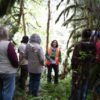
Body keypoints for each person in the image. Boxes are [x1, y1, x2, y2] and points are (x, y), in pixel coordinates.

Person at [70, 29, 96, 100]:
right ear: (90, 36)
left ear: (82, 35)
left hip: (78, 70)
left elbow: (74, 58)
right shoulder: (93, 45)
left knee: (76, 88)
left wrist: (74, 69)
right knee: (84, 87)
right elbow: (94, 58)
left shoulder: (79, 44)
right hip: (87, 70)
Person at [0, 26, 18, 100]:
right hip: (8, 72)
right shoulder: (8, 44)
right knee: (8, 92)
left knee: (0, 91)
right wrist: (16, 65)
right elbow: (14, 59)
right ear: (6, 34)